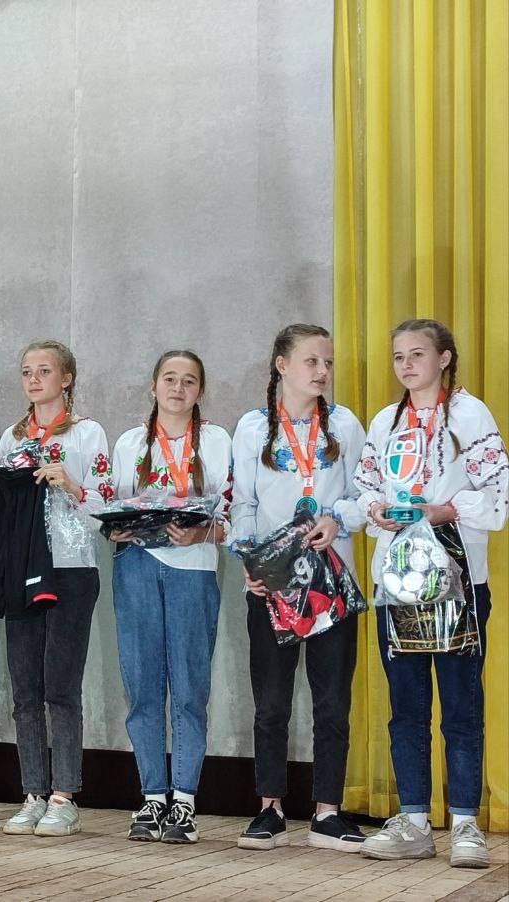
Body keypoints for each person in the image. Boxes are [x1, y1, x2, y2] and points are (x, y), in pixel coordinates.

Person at [355, 319, 506, 869]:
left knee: (461, 705)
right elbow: (366, 485)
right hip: (398, 584)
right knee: (407, 708)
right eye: (398, 356)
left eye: (417, 354)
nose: (406, 365)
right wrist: (377, 509)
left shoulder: (470, 415)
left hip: (458, 581)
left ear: (444, 358)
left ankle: (465, 823)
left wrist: (445, 510)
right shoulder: (385, 421)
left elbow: (498, 494)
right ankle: (415, 821)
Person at [230, 324, 367, 852]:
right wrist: (249, 560)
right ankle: (270, 808)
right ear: (282, 365)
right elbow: (242, 502)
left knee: (332, 702)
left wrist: (337, 518)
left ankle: (327, 811)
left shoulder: (345, 424)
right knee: (271, 701)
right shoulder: (253, 427)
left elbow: (363, 494)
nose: (323, 371)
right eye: (312, 361)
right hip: (273, 585)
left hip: (332, 584)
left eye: (328, 362)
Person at [0, 340, 112, 838]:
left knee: (60, 685)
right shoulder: (10, 438)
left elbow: (105, 507)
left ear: (67, 378)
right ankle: (33, 792)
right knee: (24, 687)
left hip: (71, 568)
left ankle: (65, 795)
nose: (34, 379)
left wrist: (71, 484)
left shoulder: (87, 432)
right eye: (26, 371)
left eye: (44, 371)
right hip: (22, 569)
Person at [109, 349, 232, 844]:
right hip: (136, 566)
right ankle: (151, 798)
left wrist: (203, 534)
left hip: (193, 570)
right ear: (153, 385)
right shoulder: (130, 442)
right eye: (169, 379)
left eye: (188, 381)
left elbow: (233, 515)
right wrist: (115, 528)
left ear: (200, 390)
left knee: (188, 688)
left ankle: (184, 801)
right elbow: (115, 506)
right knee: (141, 687)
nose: (178, 388)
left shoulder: (217, 441)